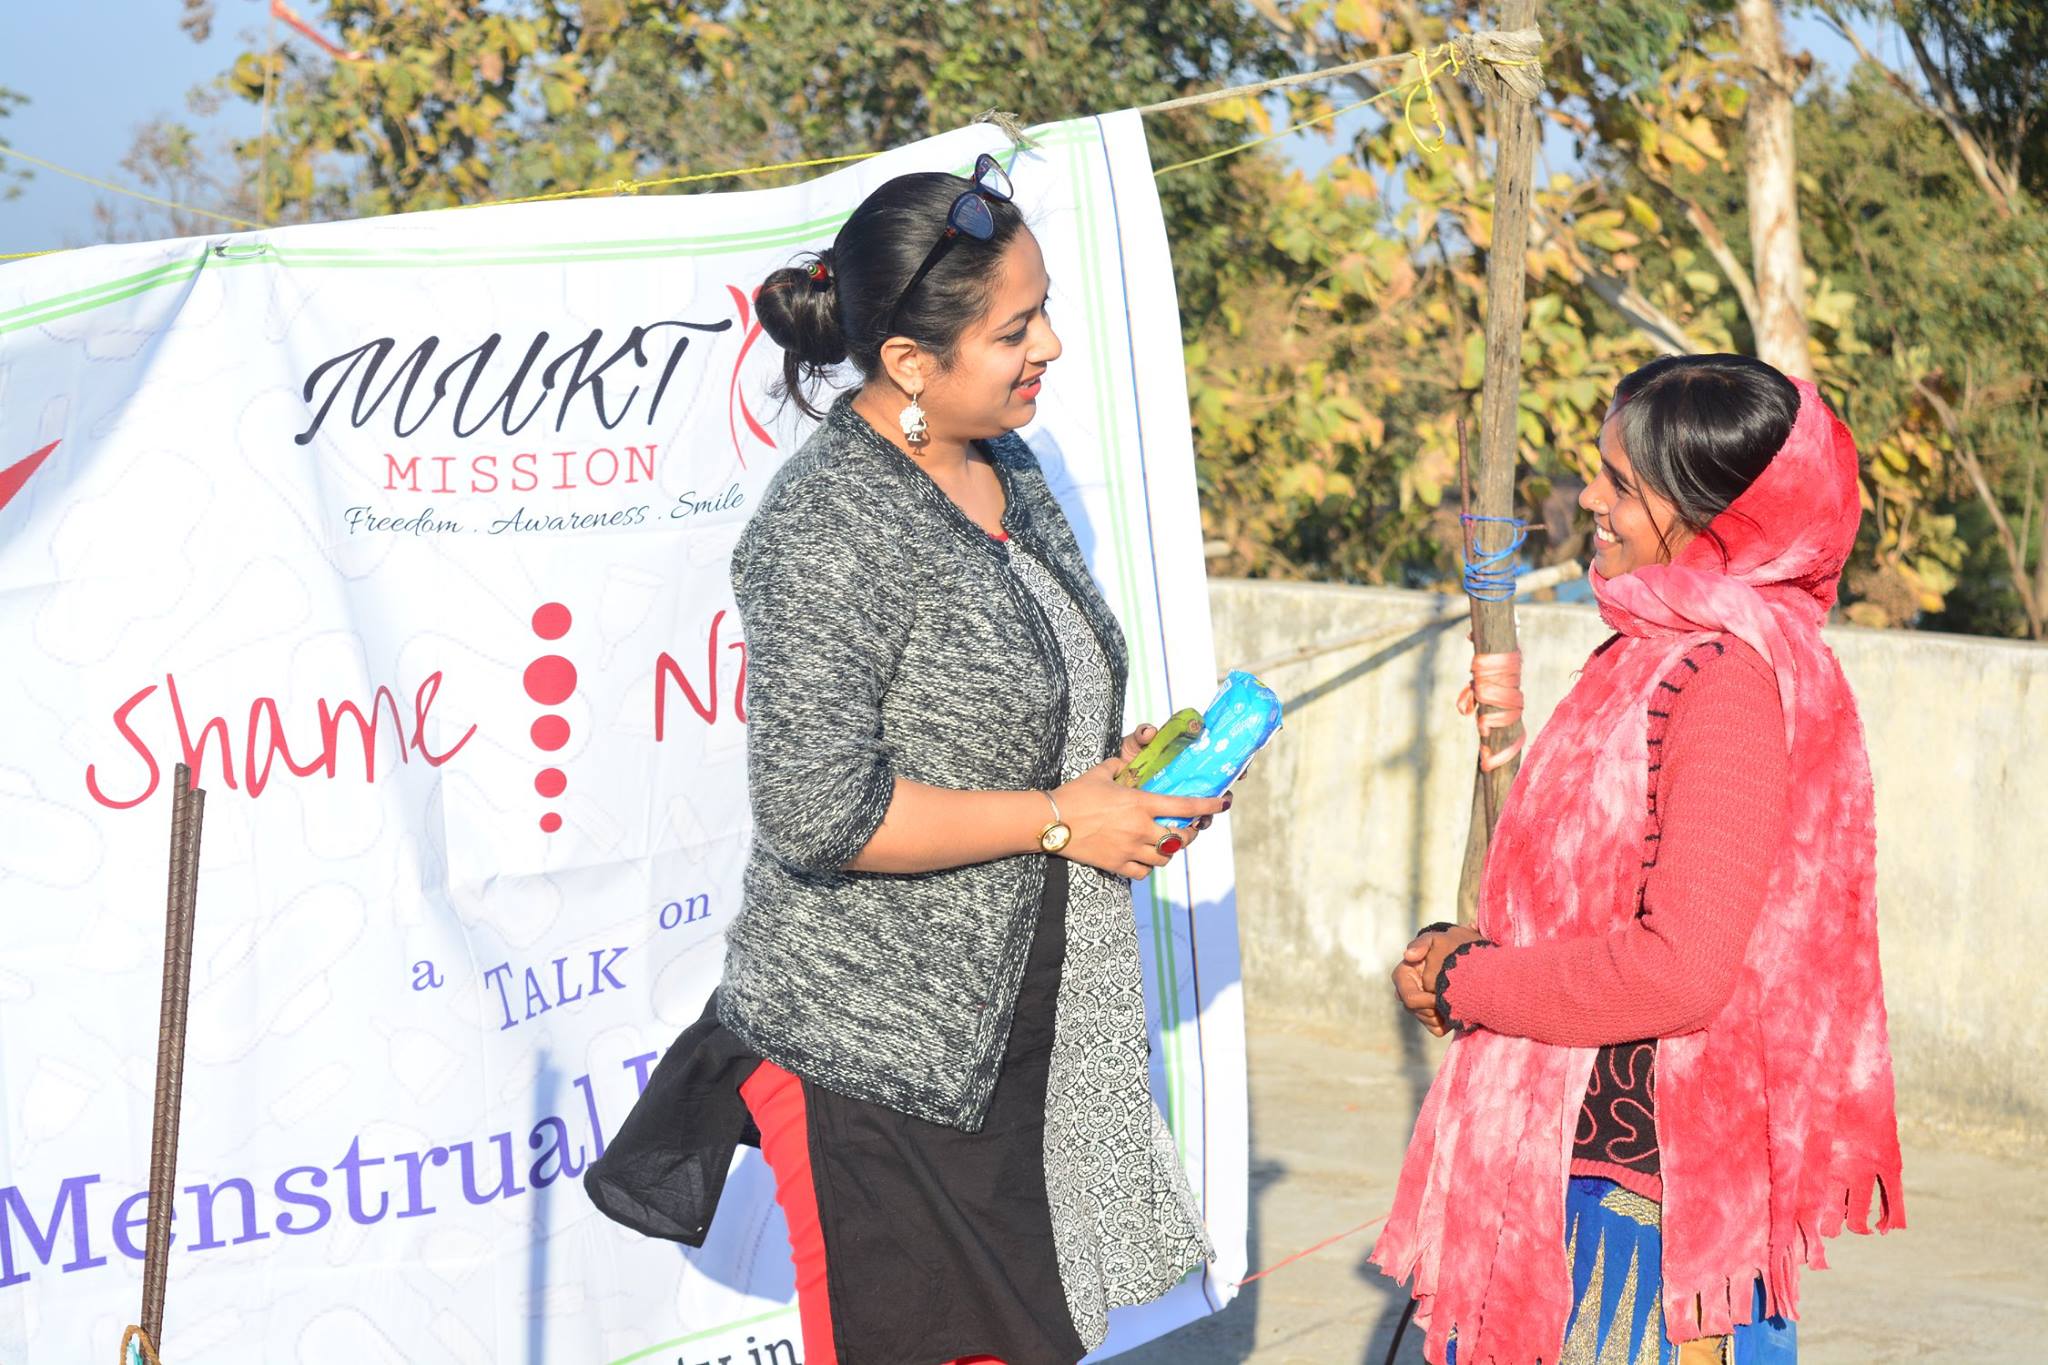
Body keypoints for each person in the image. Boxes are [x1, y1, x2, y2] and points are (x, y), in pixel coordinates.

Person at [585, 153, 1228, 1365]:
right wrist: (1057, 817)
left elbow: (1025, 726)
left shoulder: (1005, 468)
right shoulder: (829, 523)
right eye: (1014, 327)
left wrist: (1123, 782)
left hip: (1024, 1031)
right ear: (907, 365)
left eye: (1043, 311)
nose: (1048, 348)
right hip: (879, 1058)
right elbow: (820, 812)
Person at [1372, 355, 1904, 1365]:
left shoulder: (1724, 685)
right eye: (1596, 471)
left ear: (1717, 521)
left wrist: (1470, 978)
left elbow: (1680, 969)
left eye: (1620, 481)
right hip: (1578, 1175)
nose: (1587, 498)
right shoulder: (1650, 653)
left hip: (1635, 1223)